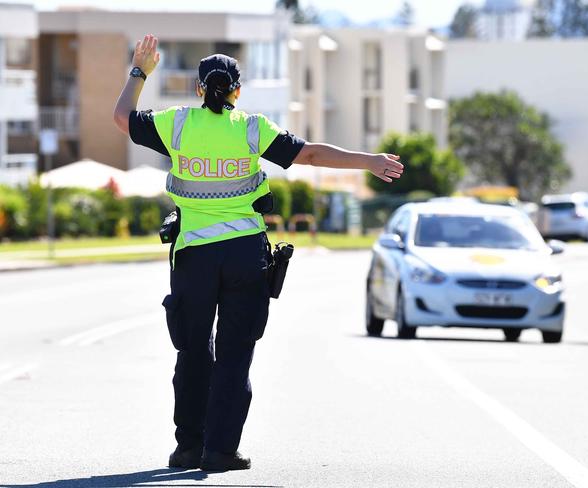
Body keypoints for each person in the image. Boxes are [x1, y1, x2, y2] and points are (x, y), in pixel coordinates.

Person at [113, 35, 403, 472]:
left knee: (193, 351)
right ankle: (219, 451)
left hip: (193, 257)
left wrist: (140, 71)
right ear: (237, 91)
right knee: (234, 354)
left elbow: (122, 118)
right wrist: (370, 160)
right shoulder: (252, 128)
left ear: (197, 89)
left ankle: (188, 447)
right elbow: (309, 154)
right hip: (245, 257)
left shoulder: (175, 124)